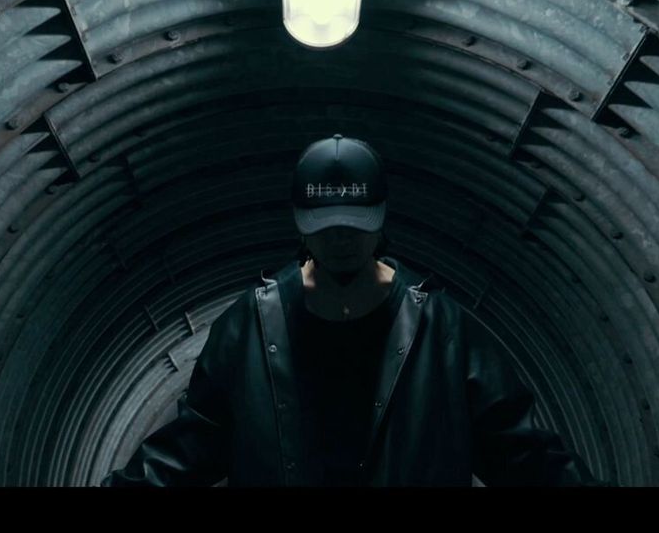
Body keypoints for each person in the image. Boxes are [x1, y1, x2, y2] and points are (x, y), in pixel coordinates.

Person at [106, 134, 599, 486]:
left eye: (354, 224)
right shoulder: (250, 326)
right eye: (326, 226)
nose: (341, 239)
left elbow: (520, 452)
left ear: (380, 220)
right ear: (301, 224)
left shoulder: (440, 329)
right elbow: (190, 448)